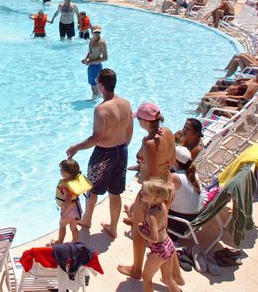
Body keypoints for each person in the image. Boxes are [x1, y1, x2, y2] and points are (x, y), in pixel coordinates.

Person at [66, 68, 133, 238]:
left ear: (101, 85)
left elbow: (96, 138)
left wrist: (76, 147)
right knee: (115, 192)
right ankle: (113, 227)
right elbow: (129, 130)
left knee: (92, 188)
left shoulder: (101, 110)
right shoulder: (126, 103)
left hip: (104, 154)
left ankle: (87, 219)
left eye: (97, 81)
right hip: (122, 151)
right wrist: (122, 147)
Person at [118, 103, 179, 283]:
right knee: (162, 232)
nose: (137, 121)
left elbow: (152, 177)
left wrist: (144, 202)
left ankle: (137, 269)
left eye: (138, 119)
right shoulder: (167, 132)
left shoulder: (149, 142)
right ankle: (173, 274)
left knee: (138, 230)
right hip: (167, 188)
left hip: (152, 194)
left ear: (145, 120)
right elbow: (173, 159)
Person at [137, 180, 180, 292]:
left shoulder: (151, 215)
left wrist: (141, 230)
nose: (141, 192)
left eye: (145, 192)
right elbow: (164, 226)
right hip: (168, 244)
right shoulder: (163, 206)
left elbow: (154, 238)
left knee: (146, 278)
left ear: (155, 198)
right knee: (168, 278)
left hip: (159, 249)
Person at [53, 159, 92, 245]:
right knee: (73, 228)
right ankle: (76, 243)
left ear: (67, 173)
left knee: (62, 226)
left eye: (61, 170)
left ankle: (59, 242)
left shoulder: (66, 186)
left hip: (69, 211)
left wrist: (64, 213)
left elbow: (68, 201)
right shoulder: (75, 183)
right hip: (77, 209)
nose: (60, 171)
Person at [168, 146, 202, 237]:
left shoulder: (175, 178)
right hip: (194, 220)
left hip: (181, 224)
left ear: (175, 161)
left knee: (153, 200)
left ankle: (138, 220)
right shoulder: (193, 173)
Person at [82, 26, 108, 98]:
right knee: (92, 85)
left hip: (96, 66)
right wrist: (86, 58)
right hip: (91, 66)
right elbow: (90, 52)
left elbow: (105, 58)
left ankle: (94, 100)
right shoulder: (91, 40)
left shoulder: (101, 43)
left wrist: (91, 62)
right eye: (95, 32)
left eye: (98, 32)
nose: (97, 34)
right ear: (91, 32)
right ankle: (97, 98)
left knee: (94, 85)